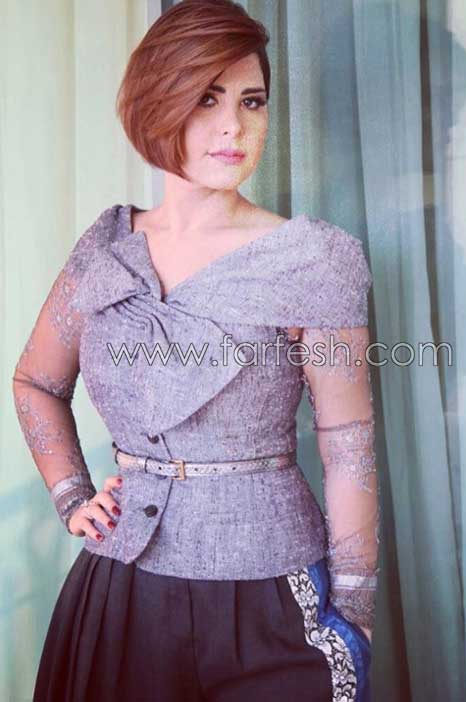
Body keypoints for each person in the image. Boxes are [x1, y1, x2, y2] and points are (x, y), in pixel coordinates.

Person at [12, 1, 381, 700]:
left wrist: (356, 614)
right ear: (157, 103)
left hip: (271, 589)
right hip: (119, 586)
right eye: (207, 97)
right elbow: (35, 382)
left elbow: (349, 447)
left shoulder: (313, 260)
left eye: (251, 101)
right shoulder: (106, 247)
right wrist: (72, 496)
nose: (233, 125)